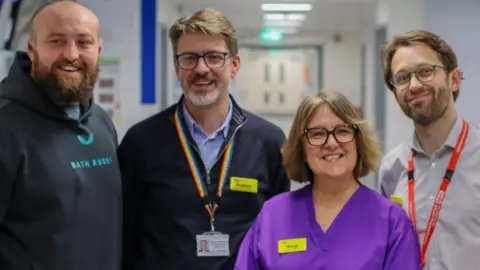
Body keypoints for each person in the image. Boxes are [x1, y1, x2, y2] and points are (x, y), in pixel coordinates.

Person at [118, 7, 290, 270]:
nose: (201, 68)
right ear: (177, 67)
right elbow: (127, 234)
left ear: (234, 65)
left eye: (214, 57)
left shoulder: (268, 142)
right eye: (189, 58)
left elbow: (277, 231)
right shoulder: (141, 142)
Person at [234, 91, 421, 270]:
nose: (331, 143)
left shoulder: (391, 222)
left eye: (342, 131)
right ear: (301, 148)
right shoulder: (273, 216)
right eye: (317, 134)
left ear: (358, 141)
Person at [0, 1, 121, 270]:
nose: (71, 54)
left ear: (98, 50)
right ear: (32, 49)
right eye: (56, 41)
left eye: (84, 42)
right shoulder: (5, 125)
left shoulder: (101, 123)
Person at [379, 29, 480, 269]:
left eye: (425, 72)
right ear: (395, 94)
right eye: (403, 78)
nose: (414, 85)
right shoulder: (392, 168)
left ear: (454, 79)